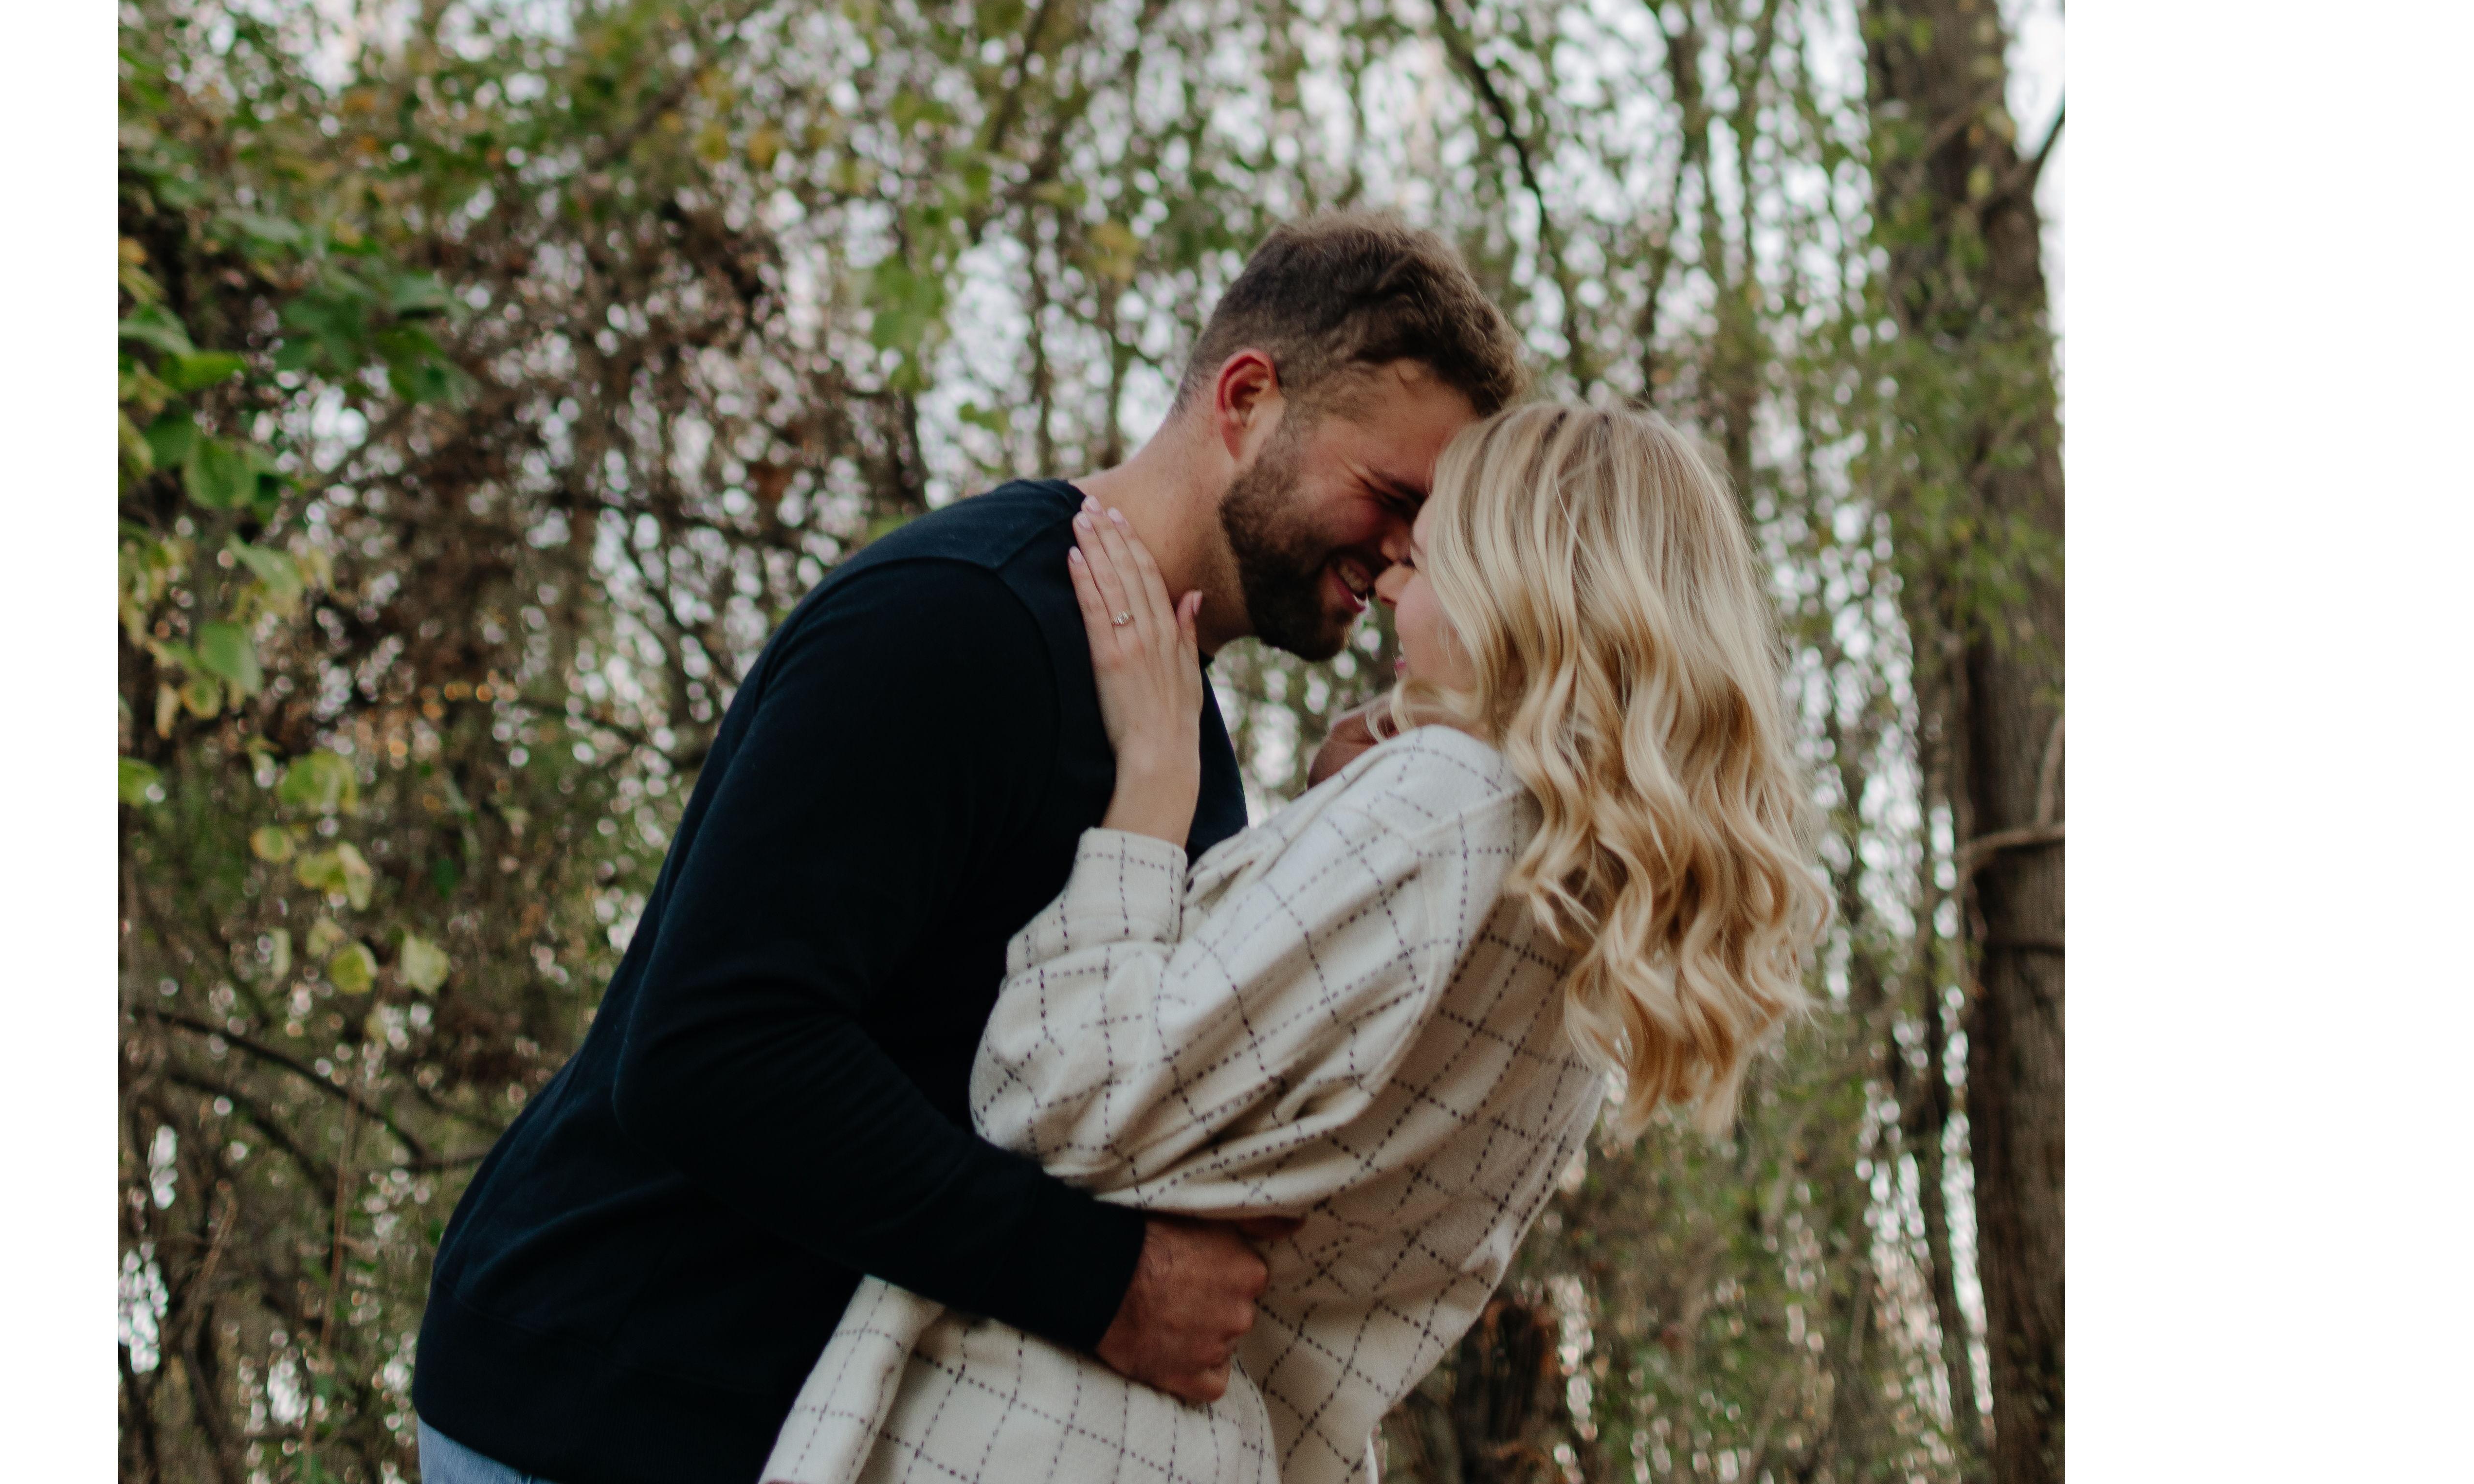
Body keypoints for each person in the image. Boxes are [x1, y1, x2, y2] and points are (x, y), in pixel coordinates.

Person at [412, 213, 1528, 1484]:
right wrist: (1106, 1285)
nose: (1403, 557)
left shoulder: (1179, 740)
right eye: (1394, 498)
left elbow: (1112, 1088)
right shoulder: (952, 624)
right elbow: (709, 1052)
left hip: (800, 1427)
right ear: (1247, 399)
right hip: (600, 1403)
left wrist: (1324, 844)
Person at [764, 399, 1828, 1484]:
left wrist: (1151, 796)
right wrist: (1320, 832)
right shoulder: (1587, 914)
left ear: (1522, 584)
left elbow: (1054, 1098)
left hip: (1043, 1433)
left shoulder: (1447, 806)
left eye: (1429, 553)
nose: (1394, 583)